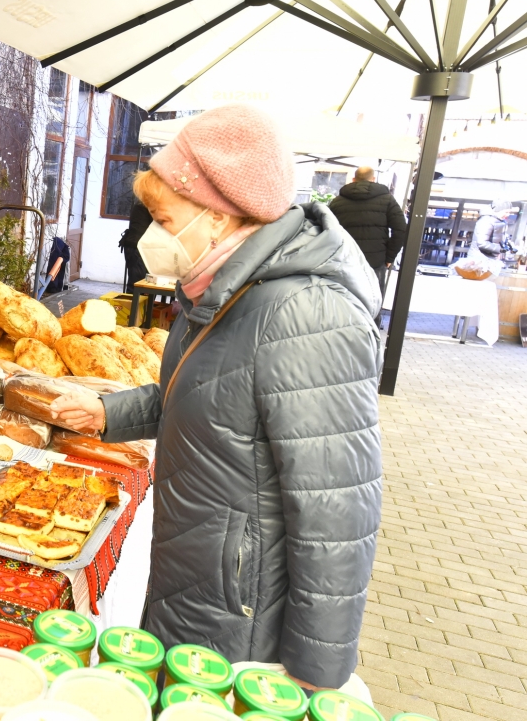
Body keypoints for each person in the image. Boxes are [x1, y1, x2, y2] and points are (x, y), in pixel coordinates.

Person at [50, 105, 383, 691]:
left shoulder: (306, 313)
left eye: (162, 215)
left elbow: (337, 512)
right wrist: (110, 411)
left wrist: (315, 669)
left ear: (221, 217)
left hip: (245, 609)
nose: (150, 233)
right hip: (195, 573)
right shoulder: (219, 288)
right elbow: (203, 396)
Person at [328, 165, 407, 299]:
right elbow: (400, 229)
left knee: (345, 302)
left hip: (345, 259)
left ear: (353, 179)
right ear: (373, 179)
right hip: (375, 260)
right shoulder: (387, 200)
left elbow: (327, 230)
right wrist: (389, 257)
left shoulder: (337, 202)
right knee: (373, 301)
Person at [120, 197, 153, 292]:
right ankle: (132, 306)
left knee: (144, 285)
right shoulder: (147, 202)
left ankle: (141, 306)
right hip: (137, 247)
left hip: (137, 246)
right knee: (138, 284)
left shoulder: (146, 202)